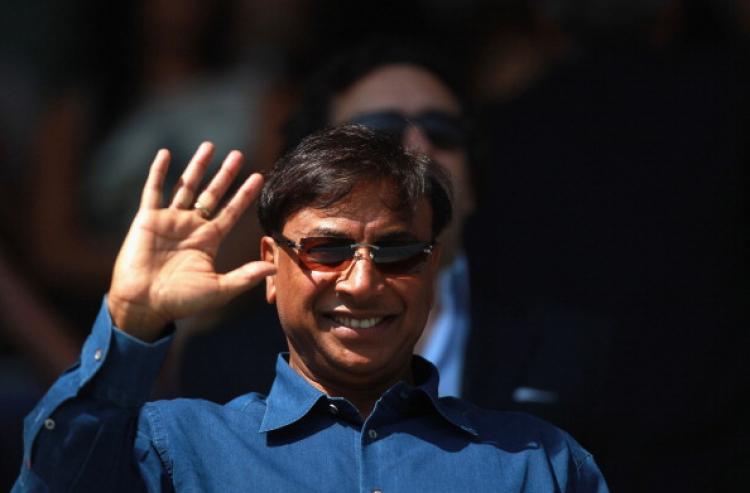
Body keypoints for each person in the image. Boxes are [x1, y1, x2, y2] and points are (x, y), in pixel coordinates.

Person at [14, 126, 608, 491]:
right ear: (272, 266)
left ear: (431, 270)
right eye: (327, 249)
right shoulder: (175, 448)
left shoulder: (537, 464)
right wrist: (129, 322)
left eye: (397, 252)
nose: (361, 281)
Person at [181, 41, 614, 452]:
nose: (418, 149)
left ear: (476, 181)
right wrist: (129, 326)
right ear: (307, 173)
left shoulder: (567, 352)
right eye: (380, 132)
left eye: (442, 131)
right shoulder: (224, 362)